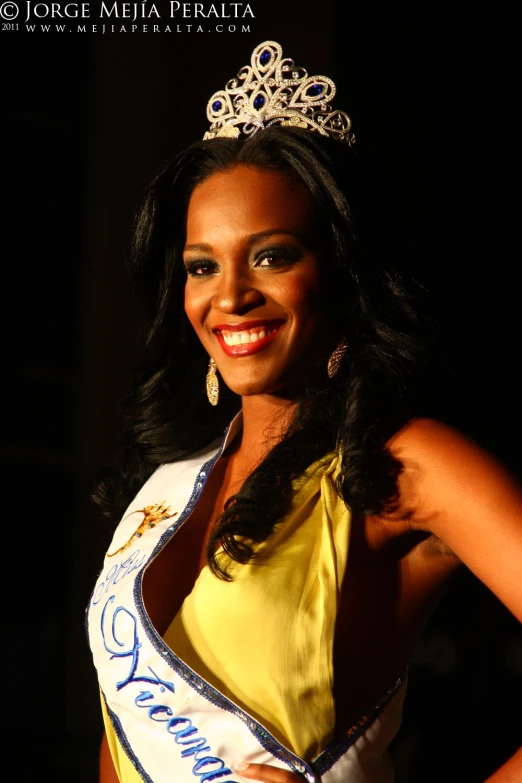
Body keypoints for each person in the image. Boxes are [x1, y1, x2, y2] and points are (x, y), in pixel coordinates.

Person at [87, 41, 522, 783]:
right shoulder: (172, 481)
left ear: (342, 272)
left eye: (271, 256)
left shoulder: (404, 461)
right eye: (202, 266)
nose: (229, 296)